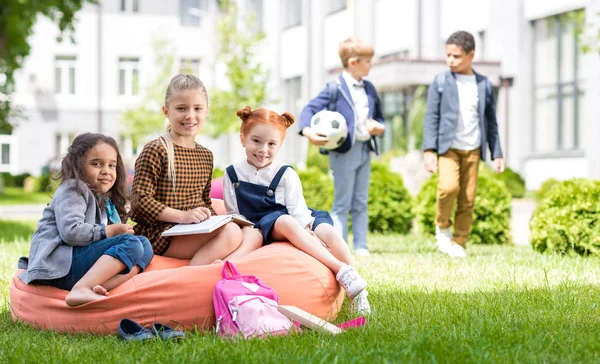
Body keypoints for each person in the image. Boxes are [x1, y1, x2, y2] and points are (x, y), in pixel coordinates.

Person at [223, 106, 371, 314]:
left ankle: (355, 285)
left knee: (329, 232)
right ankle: (340, 269)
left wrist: (309, 231)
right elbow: (234, 213)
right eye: (256, 141)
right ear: (243, 139)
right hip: (265, 223)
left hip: (299, 216)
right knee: (285, 222)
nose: (263, 149)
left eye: (271, 144)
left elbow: (298, 210)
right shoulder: (232, 174)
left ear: (280, 145)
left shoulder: (285, 174)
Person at [17, 133, 154, 307]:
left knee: (143, 244)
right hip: (59, 268)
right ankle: (82, 288)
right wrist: (110, 231)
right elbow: (71, 232)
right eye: (97, 164)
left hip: (80, 268)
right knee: (131, 243)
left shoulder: (105, 200)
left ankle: (99, 287)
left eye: (111, 165)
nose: (106, 170)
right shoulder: (73, 189)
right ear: (78, 166)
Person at [130, 74, 242, 265]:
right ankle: (192, 274)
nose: (190, 115)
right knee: (232, 233)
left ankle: (221, 266)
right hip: (161, 234)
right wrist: (182, 216)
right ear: (166, 111)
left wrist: (215, 219)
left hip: (192, 228)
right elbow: (140, 202)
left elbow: (204, 202)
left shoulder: (206, 155)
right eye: (181, 108)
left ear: (206, 111)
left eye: (197, 108)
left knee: (248, 232)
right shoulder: (157, 150)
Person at [298, 36, 385, 257]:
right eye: (367, 61)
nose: (371, 65)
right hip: (343, 153)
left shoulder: (370, 89)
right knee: (343, 201)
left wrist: (379, 128)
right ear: (353, 62)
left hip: (365, 149)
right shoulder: (334, 88)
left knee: (361, 200)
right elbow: (308, 110)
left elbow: (380, 118)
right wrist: (308, 132)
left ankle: (361, 245)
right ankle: (341, 246)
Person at [422, 30, 505, 258]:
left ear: (471, 55)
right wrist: (429, 150)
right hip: (448, 148)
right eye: (448, 55)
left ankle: (459, 242)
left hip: (473, 149)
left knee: (467, 199)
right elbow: (431, 117)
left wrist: (496, 153)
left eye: (456, 56)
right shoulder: (441, 81)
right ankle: (442, 226)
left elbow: (491, 122)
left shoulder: (484, 85)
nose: (451, 60)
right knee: (448, 188)